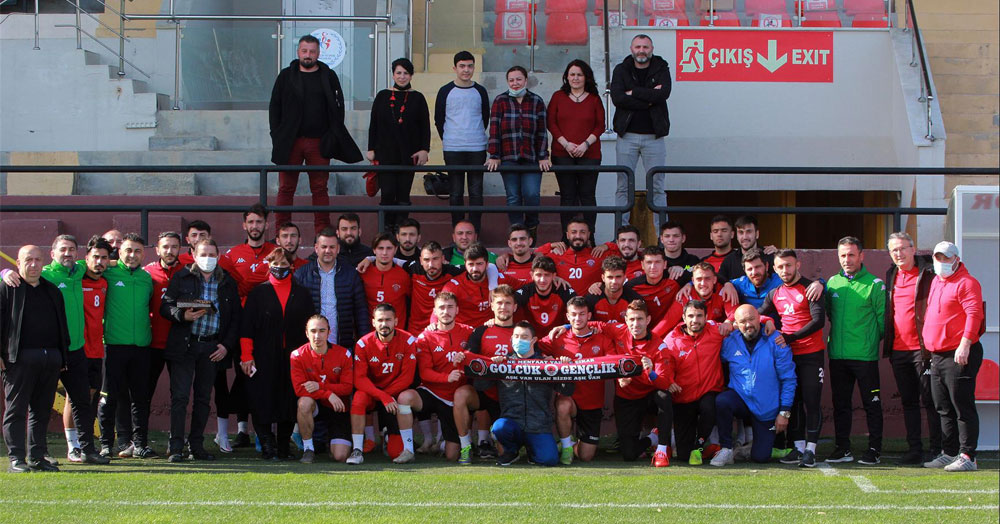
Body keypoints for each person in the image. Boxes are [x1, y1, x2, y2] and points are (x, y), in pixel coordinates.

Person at [270, 34, 362, 235]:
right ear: (298, 52)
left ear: (319, 53)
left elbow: (338, 107)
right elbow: (274, 107)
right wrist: (277, 136)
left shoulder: (328, 75)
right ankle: (281, 231)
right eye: (304, 51)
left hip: (319, 141)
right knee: (286, 187)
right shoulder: (286, 76)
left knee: (320, 188)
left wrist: (333, 134)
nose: (308, 55)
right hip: (290, 141)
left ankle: (322, 231)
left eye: (312, 51)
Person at [160, 239, 241, 463]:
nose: (208, 258)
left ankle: (196, 446)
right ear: (194, 255)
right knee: (180, 397)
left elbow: (236, 318)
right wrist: (182, 315)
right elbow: (165, 306)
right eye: (203, 254)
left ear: (218, 256)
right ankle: (176, 447)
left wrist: (226, 345)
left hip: (212, 347)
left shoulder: (227, 281)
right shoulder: (182, 277)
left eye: (212, 254)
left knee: (204, 399)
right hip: (185, 345)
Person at [241, 248, 315, 460]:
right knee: (261, 399)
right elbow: (246, 328)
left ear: (291, 266)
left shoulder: (302, 293)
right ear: (268, 265)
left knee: (289, 400)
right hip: (262, 356)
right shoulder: (258, 293)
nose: (280, 269)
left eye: (284, 265)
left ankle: (283, 446)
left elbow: (309, 327)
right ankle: (267, 445)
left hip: (293, 358)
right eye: (275, 265)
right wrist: (246, 356)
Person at [1, 246, 71, 472]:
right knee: (16, 410)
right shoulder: (7, 288)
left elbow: (62, 326)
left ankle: (37, 457)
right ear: (18, 263)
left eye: (37, 260)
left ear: (43, 262)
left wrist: (62, 357)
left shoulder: (52, 290)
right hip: (18, 361)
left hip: (50, 360)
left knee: (41, 412)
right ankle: (16, 459)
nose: (33, 265)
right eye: (28, 260)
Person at [759, 249, 826, 467]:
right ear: (774, 269)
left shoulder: (810, 288)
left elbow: (818, 321)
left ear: (797, 265)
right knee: (793, 402)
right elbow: (759, 313)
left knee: (811, 401)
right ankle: (798, 448)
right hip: (788, 357)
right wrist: (766, 319)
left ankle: (811, 450)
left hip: (811, 354)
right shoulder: (774, 293)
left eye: (788, 265)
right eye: (780, 266)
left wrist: (790, 337)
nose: (785, 270)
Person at [922, 241, 985, 472]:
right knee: (942, 406)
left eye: (946, 258)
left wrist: (965, 344)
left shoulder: (967, 282)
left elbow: (974, 314)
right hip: (938, 354)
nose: (942, 262)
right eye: (938, 257)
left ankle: (968, 455)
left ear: (956, 259)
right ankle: (949, 452)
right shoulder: (936, 281)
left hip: (959, 353)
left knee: (962, 405)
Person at [218, 204, 277, 450]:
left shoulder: (276, 251)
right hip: (239, 323)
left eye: (259, 222)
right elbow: (234, 288)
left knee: (264, 375)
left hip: (268, 323)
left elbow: (244, 285)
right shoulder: (232, 255)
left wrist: (246, 282)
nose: (255, 226)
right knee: (242, 374)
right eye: (251, 222)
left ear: (266, 224)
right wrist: (261, 276)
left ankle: (266, 430)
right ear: (244, 225)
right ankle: (242, 430)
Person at [825, 236, 885, 465]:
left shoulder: (875, 284)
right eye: (842, 255)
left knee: (872, 404)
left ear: (861, 255)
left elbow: (883, 323)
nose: (846, 259)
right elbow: (829, 314)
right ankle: (842, 448)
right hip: (838, 356)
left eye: (851, 254)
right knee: (841, 405)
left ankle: (874, 449)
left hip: (865, 356)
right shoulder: (832, 283)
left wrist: (868, 341)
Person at [537, 297, 620, 464]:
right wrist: (548, 358)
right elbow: (533, 349)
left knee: (586, 456)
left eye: (582, 314)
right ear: (567, 316)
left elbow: (613, 363)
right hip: (569, 397)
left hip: (592, 403)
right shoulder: (557, 337)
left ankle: (573, 445)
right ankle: (566, 447)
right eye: (573, 314)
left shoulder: (602, 339)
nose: (577, 318)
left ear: (589, 316)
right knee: (563, 405)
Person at [882, 232, 942, 465]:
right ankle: (914, 448)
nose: (899, 253)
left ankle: (937, 448)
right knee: (908, 402)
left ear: (913, 249)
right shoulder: (891, 274)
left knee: (931, 400)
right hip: (899, 350)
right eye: (894, 250)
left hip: (923, 349)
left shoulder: (929, 273)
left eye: (902, 248)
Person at [710, 305, 796, 466]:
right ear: (736, 324)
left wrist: (784, 412)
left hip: (766, 407)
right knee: (722, 401)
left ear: (759, 318)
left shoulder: (776, 340)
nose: (748, 324)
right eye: (743, 321)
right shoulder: (730, 341)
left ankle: (750, 449)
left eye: (751, 319)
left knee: (761, 457)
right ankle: (726, 449)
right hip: (741, 399)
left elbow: (788, 379)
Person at [99, 233, 156, 459]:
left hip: (141, 347)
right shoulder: (108, 272)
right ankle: (106, 444)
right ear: (119, 252)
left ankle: (140, 444)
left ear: (144, 254)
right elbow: (85, 263)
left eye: (137, 251)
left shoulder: (146, 278)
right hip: (113, 345)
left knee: (140, 399)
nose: (132, 255)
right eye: (128, 251)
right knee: (109, 397)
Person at [597, 299, 674, 467]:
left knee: (664, 396)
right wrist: (565, 327)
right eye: (631, 319)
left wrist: (651, 372)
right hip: (627, 397)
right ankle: (653, 438)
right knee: (629, 454)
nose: (635, 323)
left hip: (649, 395)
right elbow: (596, 325)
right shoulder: (619, 330)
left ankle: (662, 449)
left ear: (648, 320)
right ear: (626, 320)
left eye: (640, 319)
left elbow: (664, 384)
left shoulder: (659, 346)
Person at [451, 285, 518, 463]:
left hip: (510, 396)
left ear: (515, 307)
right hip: (484, 392)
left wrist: (506, 360)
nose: (503, 307)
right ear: (492, 306)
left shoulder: (522, 331)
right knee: (460, 394)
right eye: (499, 303)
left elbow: (533, 359)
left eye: (508, 303)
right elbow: (469, 356)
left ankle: (505, 440)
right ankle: (466, 446)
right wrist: (461, 357)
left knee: (505, 453)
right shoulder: (481, 331)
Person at [491, 321, 573, 466]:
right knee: (499, 427)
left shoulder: (546, 364)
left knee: (549, 460)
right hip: (512, 423)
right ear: (511, 339)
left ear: (533, 340)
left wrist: (566, 371)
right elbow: (481, 386)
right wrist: (492, 367)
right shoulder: (503, 363)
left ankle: (532, 451)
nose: (519, 340)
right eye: (516, 336)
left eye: (524, 337)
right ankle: (512, 451)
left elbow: (567, 390)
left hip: (538, 426)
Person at [610, 34, 671, 229]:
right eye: (638, 47)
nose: (641, 51)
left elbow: (663, 94)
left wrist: (634, 92)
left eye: (645, 47)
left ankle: (663, 236)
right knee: (623, 185)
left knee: (657, 187)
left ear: (651, 49)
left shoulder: (661, 67)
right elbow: (618, 98)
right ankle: (621, 234)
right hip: (627, 136)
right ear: (631, 49)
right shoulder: (621, 69)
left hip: (654, 137)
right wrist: (649, 99)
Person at [346, 304, 420, 465]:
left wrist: (387, 396)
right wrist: (381, 396)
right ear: (373, 322)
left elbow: (407, 378)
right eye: (380, 320)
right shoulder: (363, 343)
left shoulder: (408, 340)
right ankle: (357, 450)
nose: (384, 324)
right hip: (373, 393)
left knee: (394, 452)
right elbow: (359, 379)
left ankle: (389, 436)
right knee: (359, 398)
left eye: (388, 320)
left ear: (396, 321)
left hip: (395, 396)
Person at [485, 65, 550, 237]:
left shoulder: (536, 101)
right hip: (508, 157)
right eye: (511, 80)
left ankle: (532, 227)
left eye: (519, 79)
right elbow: (494, 130)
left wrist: (543, 156)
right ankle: (518, 233)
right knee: (513, 197)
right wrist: (494, 155)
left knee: (531, 194)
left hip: (531, 158)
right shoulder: (500, 101)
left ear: (526, 81)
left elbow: (542, 131)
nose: (515, 83)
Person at [367, 57, 431, 232]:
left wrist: (424, 149)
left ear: (411, 75)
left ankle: (402, 230)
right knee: (387, 192)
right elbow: (374, 124)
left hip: (408, 153)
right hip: (385, 153)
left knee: (403, 194)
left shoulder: (418, 98)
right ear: (393, 74)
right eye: (399, 73)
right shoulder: (382, 96)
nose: (402, 77)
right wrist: (371, 148)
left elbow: (425, 126)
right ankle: (385, 230)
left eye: (406, 73)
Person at [662, 300, 729, 465]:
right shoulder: (671, 339)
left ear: (706, 317)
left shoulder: (716, 330)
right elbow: (663, 365)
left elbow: (745, 319)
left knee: (710, 406)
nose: (695, 320)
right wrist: (669, 381)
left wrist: (767, 320)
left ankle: (699, 446)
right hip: (683, 396)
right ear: (684, 317)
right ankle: (698, 447)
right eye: (691, 316)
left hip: (709, 390)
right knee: (683, 456)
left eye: (699, 316)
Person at [412, 292, 475, 462]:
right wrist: (446, 378)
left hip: (458, 396)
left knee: (451, 455)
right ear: (435, 311)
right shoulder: (425, 336)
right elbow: (424, 372)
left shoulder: (469, 332)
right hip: (434, 392)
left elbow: (479, 354)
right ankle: (406, 448)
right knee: (405, 398)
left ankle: (466, 445)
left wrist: (466, 357)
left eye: (450, 307)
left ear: (457, 310)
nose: (446, 311)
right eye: (441, 307)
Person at [547, 59, 605, 235]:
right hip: (562, 153)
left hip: (590, 153)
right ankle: (567, 237)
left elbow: (600, 125)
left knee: (588, 196)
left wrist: (585, 144)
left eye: (579, 74)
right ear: (566, 77)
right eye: (572, 74)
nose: (575, 78)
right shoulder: (558, 97)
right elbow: (551, 122)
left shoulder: (594, 99)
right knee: (568, 196)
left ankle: (590, 237)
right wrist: (566, 144)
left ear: (586, 77)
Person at [435, 50, 490, 233]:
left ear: (474, 67)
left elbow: (485, 117)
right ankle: (458, 232)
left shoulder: (480, 91)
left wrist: (474, 135)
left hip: (477, 147)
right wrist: (450, 138)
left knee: (476, 192)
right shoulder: (445, 91)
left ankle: (475, 232)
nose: (466, 70)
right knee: (456, 192)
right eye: (462, 66)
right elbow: (439, 119)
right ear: (455, 68)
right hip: (453, 148)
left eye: (470, 66)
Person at [291, 315, 354, 464]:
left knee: (340, 456)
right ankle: (308, 449)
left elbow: (347, 388)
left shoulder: (344, 354)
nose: (317, 336)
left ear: (329, 332)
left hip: (338, 406)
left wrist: (321, 386)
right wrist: (328, 394)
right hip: (316, 405)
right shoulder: (297, 355)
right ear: (306, 333)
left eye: (322, 331)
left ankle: (330, 440)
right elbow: (299, 390)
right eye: (313, 331)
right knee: (304, 403)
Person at [144, 231, 183, 446]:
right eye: (165, 247)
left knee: (179, 396)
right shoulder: (147, 273)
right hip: (152, 344)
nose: (170, 251)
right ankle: (139, 441)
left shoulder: (188, 272)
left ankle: (175, 443)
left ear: (180, 249)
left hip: (179, 344)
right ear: (157, 249)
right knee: (144, 394)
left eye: (174, 246)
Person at [79, 237, 113, 462]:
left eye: (104, 258)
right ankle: (74, 445)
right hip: (76, 349)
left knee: (91, 397)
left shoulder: (105, 282)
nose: (99, 262)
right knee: (76, 398)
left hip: (96, 350)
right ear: (86, 258)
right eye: (95, 257)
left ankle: (86, 447)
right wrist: (5, 272)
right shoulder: (75, 276)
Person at [653, 262, 735, 337]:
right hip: (691, 340)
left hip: (716, 339)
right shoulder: (686, 295)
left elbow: (734, 313)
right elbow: (668, 321)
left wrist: (728, 322)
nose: (703, 283)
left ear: (714, 280)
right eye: (699, 279)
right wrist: (650, 338)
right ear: (693, 281)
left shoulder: (724, 291)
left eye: (707, 279)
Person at [535, 218, 608, 291]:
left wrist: (606, 246)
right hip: (563, 298)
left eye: (582, 232)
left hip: (589, 298)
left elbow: (615, 249)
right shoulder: (557, 255)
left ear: (588, 235)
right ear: (567, 235)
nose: (578, 236)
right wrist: (550, 245)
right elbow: (534, 254)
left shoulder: (598, 254)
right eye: (574, 232)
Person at [359, 233, 412, 328]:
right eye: (380, 248)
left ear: (395, 249)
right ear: (374, 250)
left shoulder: (404, 275)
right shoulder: (363, 272)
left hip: (397, 332)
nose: (384, 253)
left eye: (389, 248)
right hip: (371, 332)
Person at [514, 255, 576, 334]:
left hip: (558, 337)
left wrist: (567, 326)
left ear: (554, 276)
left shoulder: (563, 290)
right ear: (532, 275)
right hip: (532, 338)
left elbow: (581, 312)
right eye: (538, 275)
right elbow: (508, 307)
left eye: (547, 275)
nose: (542, 280)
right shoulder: (526, 291)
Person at [442, 243, 499, 327]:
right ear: (465, 264)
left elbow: (521, 288)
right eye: (471, 264)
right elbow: (441, 307)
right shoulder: (453, 286)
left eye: (479, 264)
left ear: (487, 264)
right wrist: (433, 325)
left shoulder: (497, 278)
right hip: (465, 332)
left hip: (490, 330)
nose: (475, 269)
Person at [623, 246, 680, 325]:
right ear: (642, 265)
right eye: (649, 262)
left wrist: (689, 284)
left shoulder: (674, 282)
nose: (653, 267)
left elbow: (690, 269)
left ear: (665, 264)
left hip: (667, 328)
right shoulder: (630, 287)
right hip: (639, 328)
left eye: (657, 262)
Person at [585, 256, 643, 324]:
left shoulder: (634, 299)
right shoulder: (592, 297)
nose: (614, 281)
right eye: (610, 277)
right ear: (603, 278)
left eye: (618, 277)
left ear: (624, 277)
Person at [660, 221, 702, 286]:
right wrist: (667, 270)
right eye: (667, 236)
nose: (671, 240)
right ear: (661, 239)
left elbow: (702, 279)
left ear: (683, 238)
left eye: (676, 236)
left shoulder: (693, 261)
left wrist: (690, 283)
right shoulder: (655, 260)